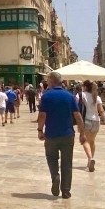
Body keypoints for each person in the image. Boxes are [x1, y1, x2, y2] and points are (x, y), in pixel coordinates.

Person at [37, 71, 86, 199]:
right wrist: (82, 133)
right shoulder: (69, 96)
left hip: (51, 134)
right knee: (67, 162)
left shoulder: (46, 97)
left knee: (51, 158)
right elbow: (78, 116)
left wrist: (40, 130)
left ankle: (55, 176)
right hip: (68, 134)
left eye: (48, 80)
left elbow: (42, 115)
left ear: (52, 82)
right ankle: (65, 191)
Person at [78, 80, 105, 172]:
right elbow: (101, 111)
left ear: (86, 87)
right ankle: (90, 161)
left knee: (84, 141)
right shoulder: (97, 97)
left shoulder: (81, 95)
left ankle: (90, 158)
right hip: (96, 121)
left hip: (86, 120)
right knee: (92, 141)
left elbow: (75, 107)